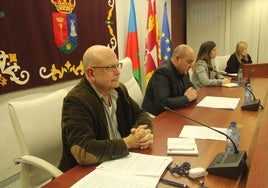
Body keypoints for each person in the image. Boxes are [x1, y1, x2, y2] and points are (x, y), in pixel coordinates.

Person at [59, 45, 154, 172]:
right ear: (91, 73)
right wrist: (129, 142)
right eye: (111, 67)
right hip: (86, 173)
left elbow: (141, 114)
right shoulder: (76, 101)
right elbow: (83, 151)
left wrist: (141, 135)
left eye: (117, 65)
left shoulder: (118, 90)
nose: (118, 72)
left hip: (120, 162)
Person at [142, 44, 198, 116]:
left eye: (192, 62)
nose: (191, 66)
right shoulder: (163, 72)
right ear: (177, 59)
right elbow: (162, 103)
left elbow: (191, 88)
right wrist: (186, 98)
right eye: (189, 62)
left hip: (174, 111)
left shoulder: (183, 70)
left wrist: (192, 93)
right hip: (156, 116)